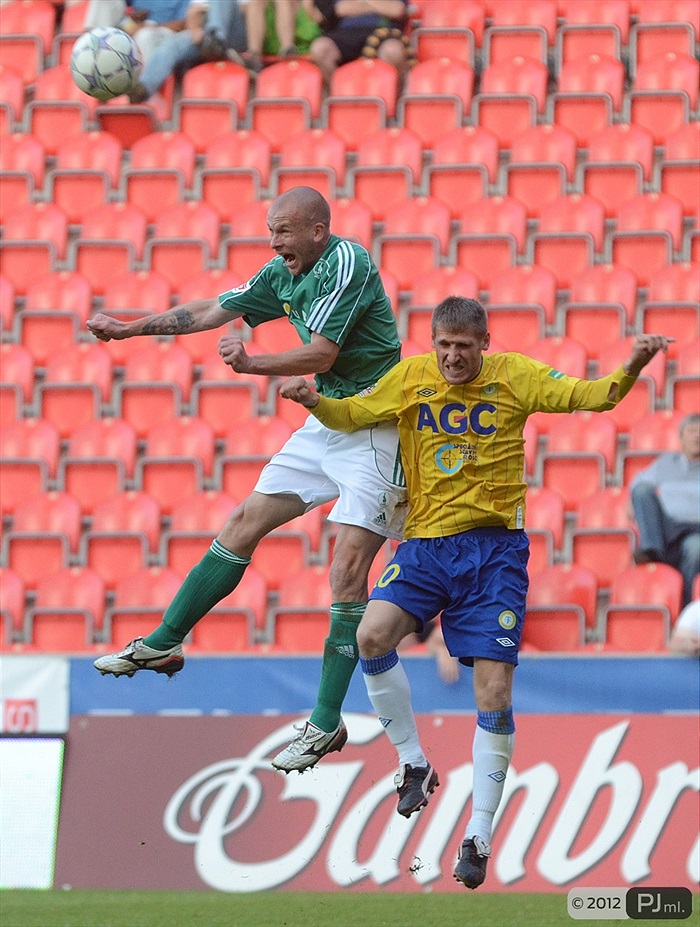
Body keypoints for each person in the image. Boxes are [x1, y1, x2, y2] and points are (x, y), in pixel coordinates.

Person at [280, 296, 672, 889]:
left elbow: (596, 396)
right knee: (371, 634)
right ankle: (414, 763)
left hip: (495, 555)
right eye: (444, 345)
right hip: (425, 547)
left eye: (464, 346)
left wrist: (632, 365)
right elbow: (353, 416)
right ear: (433, 341)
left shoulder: (515, 377)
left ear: (484, 343)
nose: (452, 356)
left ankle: (479, 833)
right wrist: (318, 402)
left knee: (492, 691)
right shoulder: (410, 378)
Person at [87, 186, 408, 773]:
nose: (274, 241)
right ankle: (164, 642)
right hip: (328, 417)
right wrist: (131, 329)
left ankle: (325, 723)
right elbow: (214, 310)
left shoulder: (347, 262)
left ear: (317, 229)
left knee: (346, 573)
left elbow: (321, 355)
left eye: (284, 230)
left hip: (379, 425)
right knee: (243, 521)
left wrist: (252, 363)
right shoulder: (281, 272)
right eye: (270, 230)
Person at [630, 412, 700, 608]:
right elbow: (639, 482)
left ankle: (684, 607)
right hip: (668, 527)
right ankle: (653, 551)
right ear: (681, 438)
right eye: (692, 431)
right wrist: (631, 502)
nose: (697, 436)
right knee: (642, 491)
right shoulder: (666, 463)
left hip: (695, 530)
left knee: (696, 548)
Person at [127, 0, 248, 102]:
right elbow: (192, 13)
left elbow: (250, 12)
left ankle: (215, 39)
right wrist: (195, 30)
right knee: (172, 44)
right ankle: (144, 87)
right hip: (205, 37)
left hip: (236, 34)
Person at [307, 0, 412, 86]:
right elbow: (339, 9)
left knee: (393, 51)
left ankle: (393, 106)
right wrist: (379, 5)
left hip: (383, 31)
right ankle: (340, 100)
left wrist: (361, 3)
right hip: (344, 33)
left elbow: (397, 10)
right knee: (320, 49)